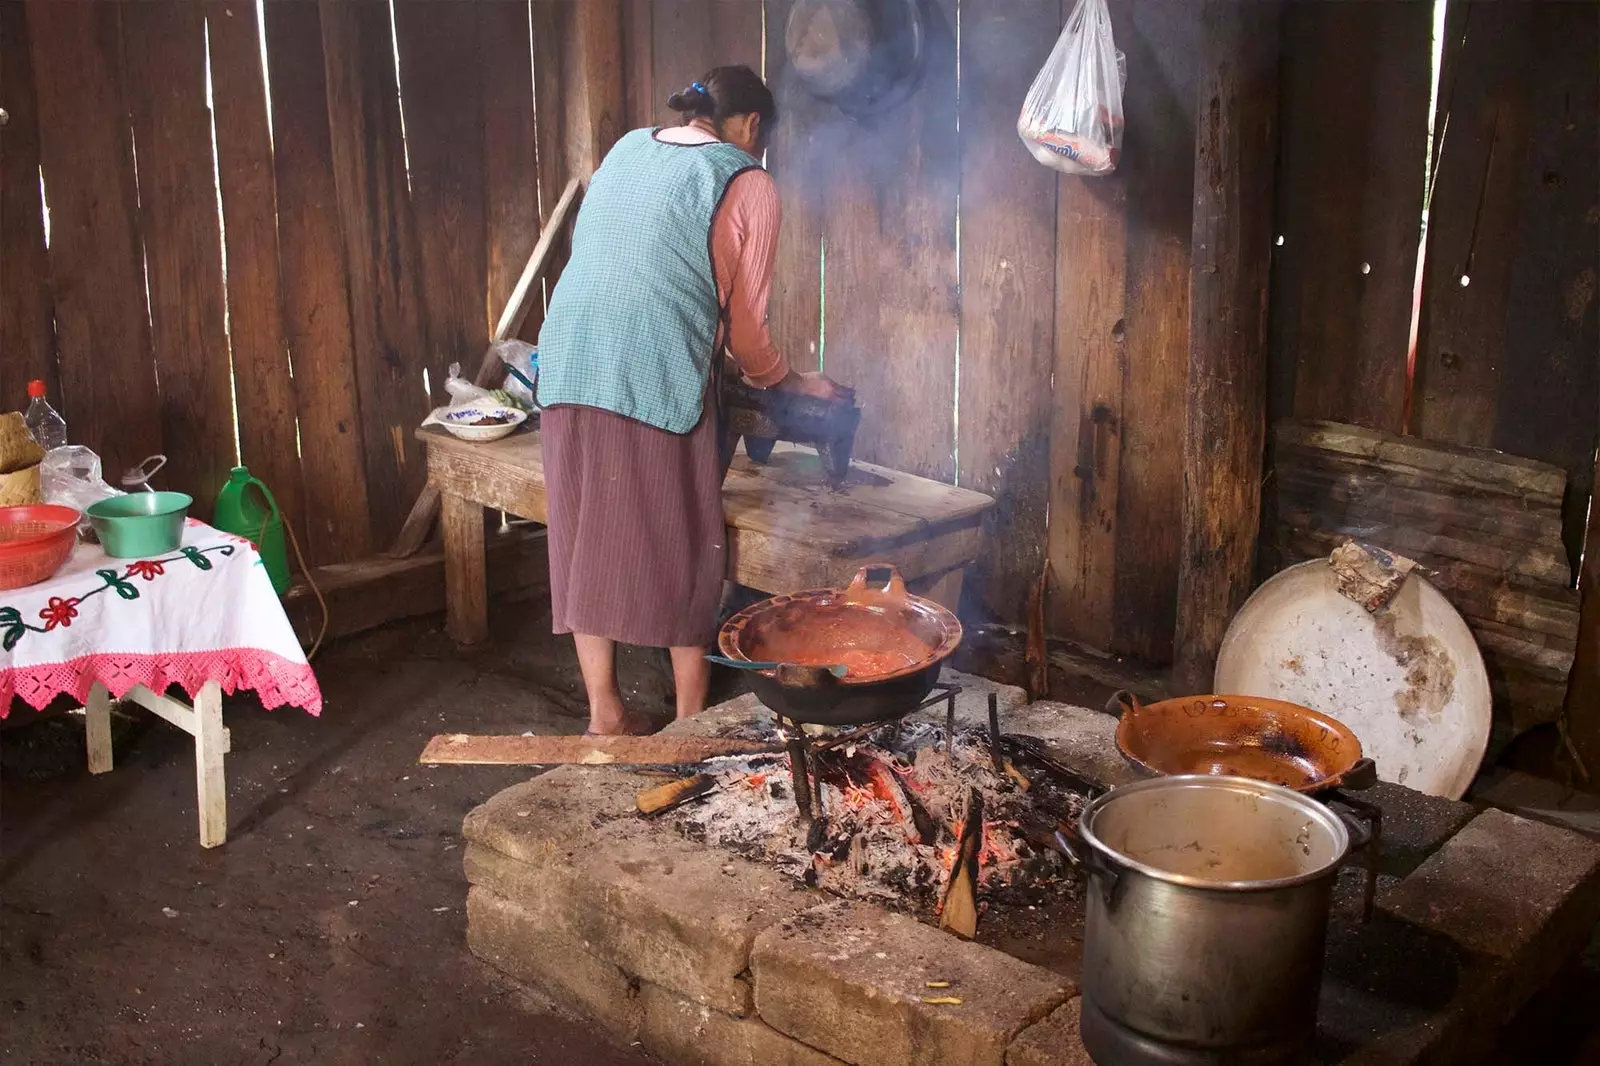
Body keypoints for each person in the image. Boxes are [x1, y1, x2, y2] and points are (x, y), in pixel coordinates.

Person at [535, 65, 844, 736]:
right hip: (652, 369)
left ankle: (605, 715)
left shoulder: (627, 147)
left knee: (585, 533)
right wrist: (794, 382)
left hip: (567, 355)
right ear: (753, 126)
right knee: (683, 545)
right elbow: (748, 336)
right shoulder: (749, 180)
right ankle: (688, 722)